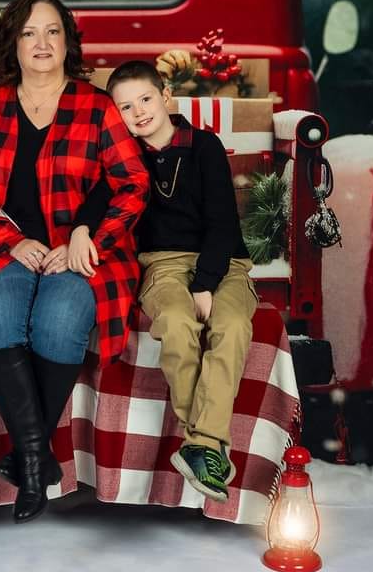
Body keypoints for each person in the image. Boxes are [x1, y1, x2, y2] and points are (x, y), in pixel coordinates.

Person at [0, 0, 149, 523]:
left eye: (53, 31)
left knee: (60, 318)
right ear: (13, 44)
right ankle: (39, 462)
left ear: (67, 41)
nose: (42, 43)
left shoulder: (96, 107)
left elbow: (133, 184)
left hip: (78, 251)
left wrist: (91, 239)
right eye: (29, 33)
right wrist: (11, 242)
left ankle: (27, 459)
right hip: (4, 248)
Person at [101, 60, 257, 502]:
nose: (139, 112)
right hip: (163, 265)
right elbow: (99, 206)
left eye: (145, 99)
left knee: (232, 326)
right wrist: (78, 231)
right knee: (175, 321)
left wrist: (206, 283)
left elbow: (222, 221)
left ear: (165, 96)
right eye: (126, 107)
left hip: (224, 262)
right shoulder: (122, 158)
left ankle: (199, 443)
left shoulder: (204, 146)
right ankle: (207, 446)